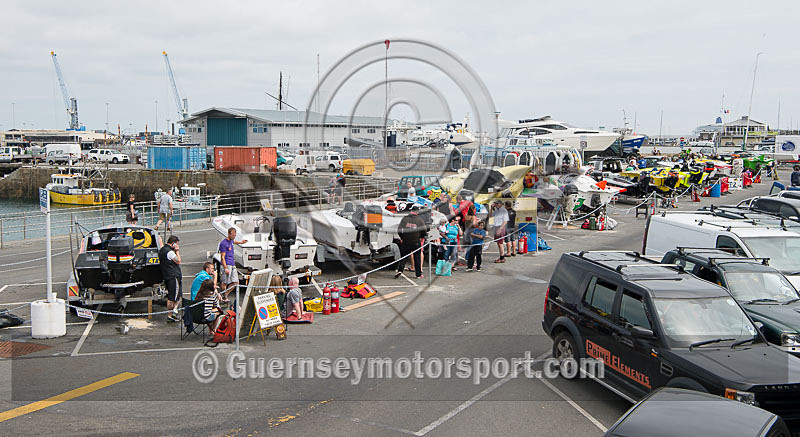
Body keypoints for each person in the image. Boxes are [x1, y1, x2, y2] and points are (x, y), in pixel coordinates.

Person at [395, 210, 426, 279]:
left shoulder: (405, 218)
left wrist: (402, 237)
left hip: (406, 240)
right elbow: (424, 231)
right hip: (416, 241)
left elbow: (399, 229)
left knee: (404, 256)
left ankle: (400, 270)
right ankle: (418, 274)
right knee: (417, 258)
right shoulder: (419, 220)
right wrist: (421, 237)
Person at [219, 227, 247, 301]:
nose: (234, 237)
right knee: (225, 282)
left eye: (235, 235)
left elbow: (234, 241)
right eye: (233, 235)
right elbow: (222, 257)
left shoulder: (231, 241)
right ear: (229, 234)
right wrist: (225, 268)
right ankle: (223, 296)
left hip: (232, 264)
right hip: (227, 264)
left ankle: (225, 295)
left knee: (236, 282)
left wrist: (241, 242)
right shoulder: (223, 243)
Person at [159, 235, 182, 322]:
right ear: (173, 243)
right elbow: (178, 261)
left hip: (167, 275)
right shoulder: (170, 252)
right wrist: (177, 252)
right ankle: (171, 315)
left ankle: (173, 312)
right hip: (173, 276)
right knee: (173, 297)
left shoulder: (162, 250)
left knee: (173, 296)